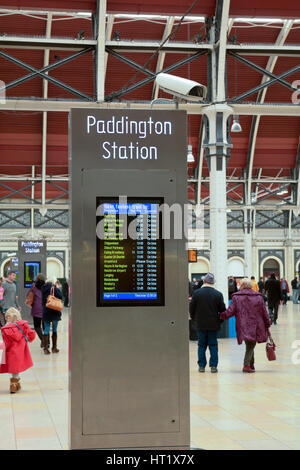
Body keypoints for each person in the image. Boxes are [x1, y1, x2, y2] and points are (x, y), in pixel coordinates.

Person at [220, 278, 271, 373]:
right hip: (256, 325)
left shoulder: (236, 297)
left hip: (243, 325)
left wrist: (221, 316)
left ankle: (251, 364)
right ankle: (246, 365)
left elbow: (230, 311)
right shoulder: (258, 297)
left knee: (250, 344)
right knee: (251, 344)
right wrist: (267, 323)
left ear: (241, 285)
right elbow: (264, 312)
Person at [189, 273, 226, 373]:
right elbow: (223, 310)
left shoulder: (196, 293)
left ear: (204, 281)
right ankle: (213, 366)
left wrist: (194, 319)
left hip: (200, 324)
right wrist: (220, 321)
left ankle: (201, 366)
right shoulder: (218, 294)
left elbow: (191, 308)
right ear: (213, 282)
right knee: (213, 345)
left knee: (201, 345)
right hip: (213, 324)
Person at [0, 307, 35, 393]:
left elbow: (6, 343)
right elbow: (32, 336)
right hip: (21, 352)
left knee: (13, 369)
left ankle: (14, 385)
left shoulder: (6, 329)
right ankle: (15, 384)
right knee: (16, 369)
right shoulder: (24, 325)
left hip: (11, 352)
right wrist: (25, 338)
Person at [41, 276, 63, 355]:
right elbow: (60, 296)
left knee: (46, 329)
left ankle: (45, 349)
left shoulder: (43, 289)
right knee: (54, 329)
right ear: (54, 281)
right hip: (54, 311)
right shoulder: (54, 288)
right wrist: (57, 288)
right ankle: (54, 348)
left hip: (46, 312)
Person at [26, 273, 46, 345]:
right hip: (45, 308)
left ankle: (43, 340)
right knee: (45, 326)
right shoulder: (46, 286)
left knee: (37, 326)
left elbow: (28, 295)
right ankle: (47, 341)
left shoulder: (33, 287)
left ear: (36, 279)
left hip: (36, 308)